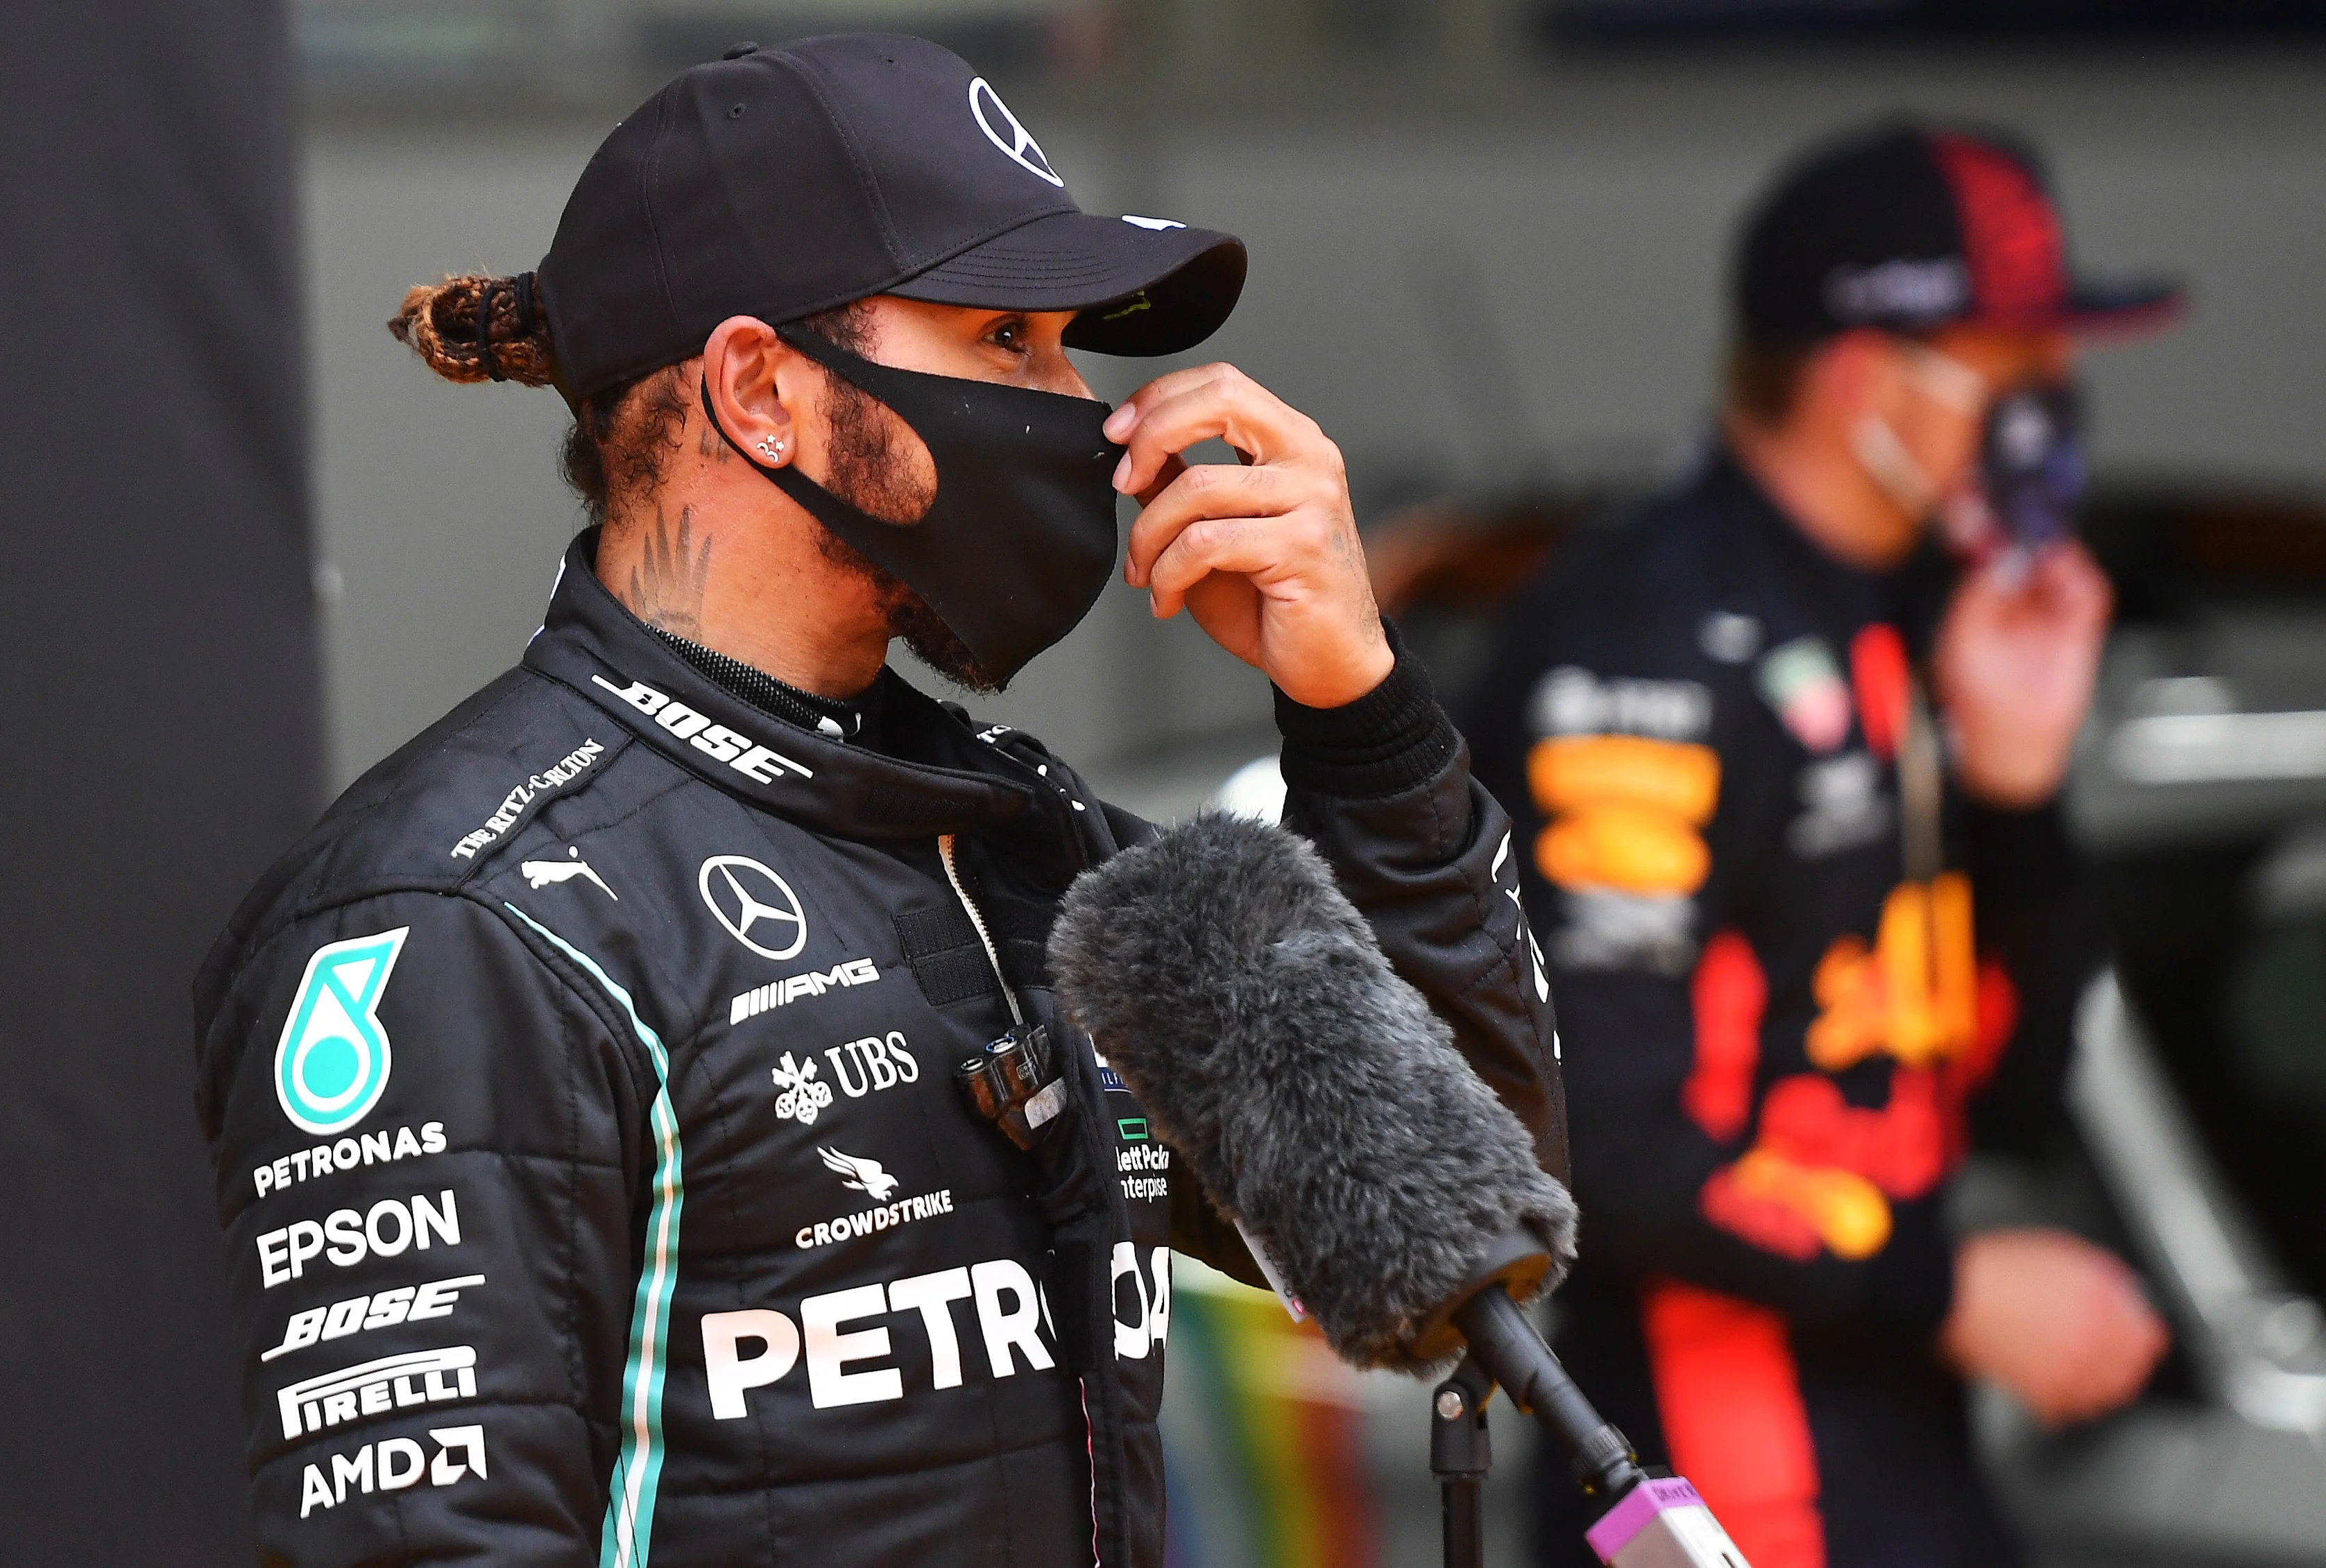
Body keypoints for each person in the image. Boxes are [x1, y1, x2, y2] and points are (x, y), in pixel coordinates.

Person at [193, 35, 1566, 1568]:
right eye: (1007, 340)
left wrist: (1360, 712)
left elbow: (1464, 1223)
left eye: (1067, 347)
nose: (1094, 418)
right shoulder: (455, 921)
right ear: (759, 390)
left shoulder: (1029, 847)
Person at [1462, 121, 2178, 1568]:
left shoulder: (1927, 612)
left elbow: (2014, 1095)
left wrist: (2019, 791)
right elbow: (1591, 1131)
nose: (2054, 408)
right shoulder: (1640, 639)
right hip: (1705, 1474)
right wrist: (1953, 1290)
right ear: (1866, 374)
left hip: (1901, 1441)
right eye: (2018, 367)